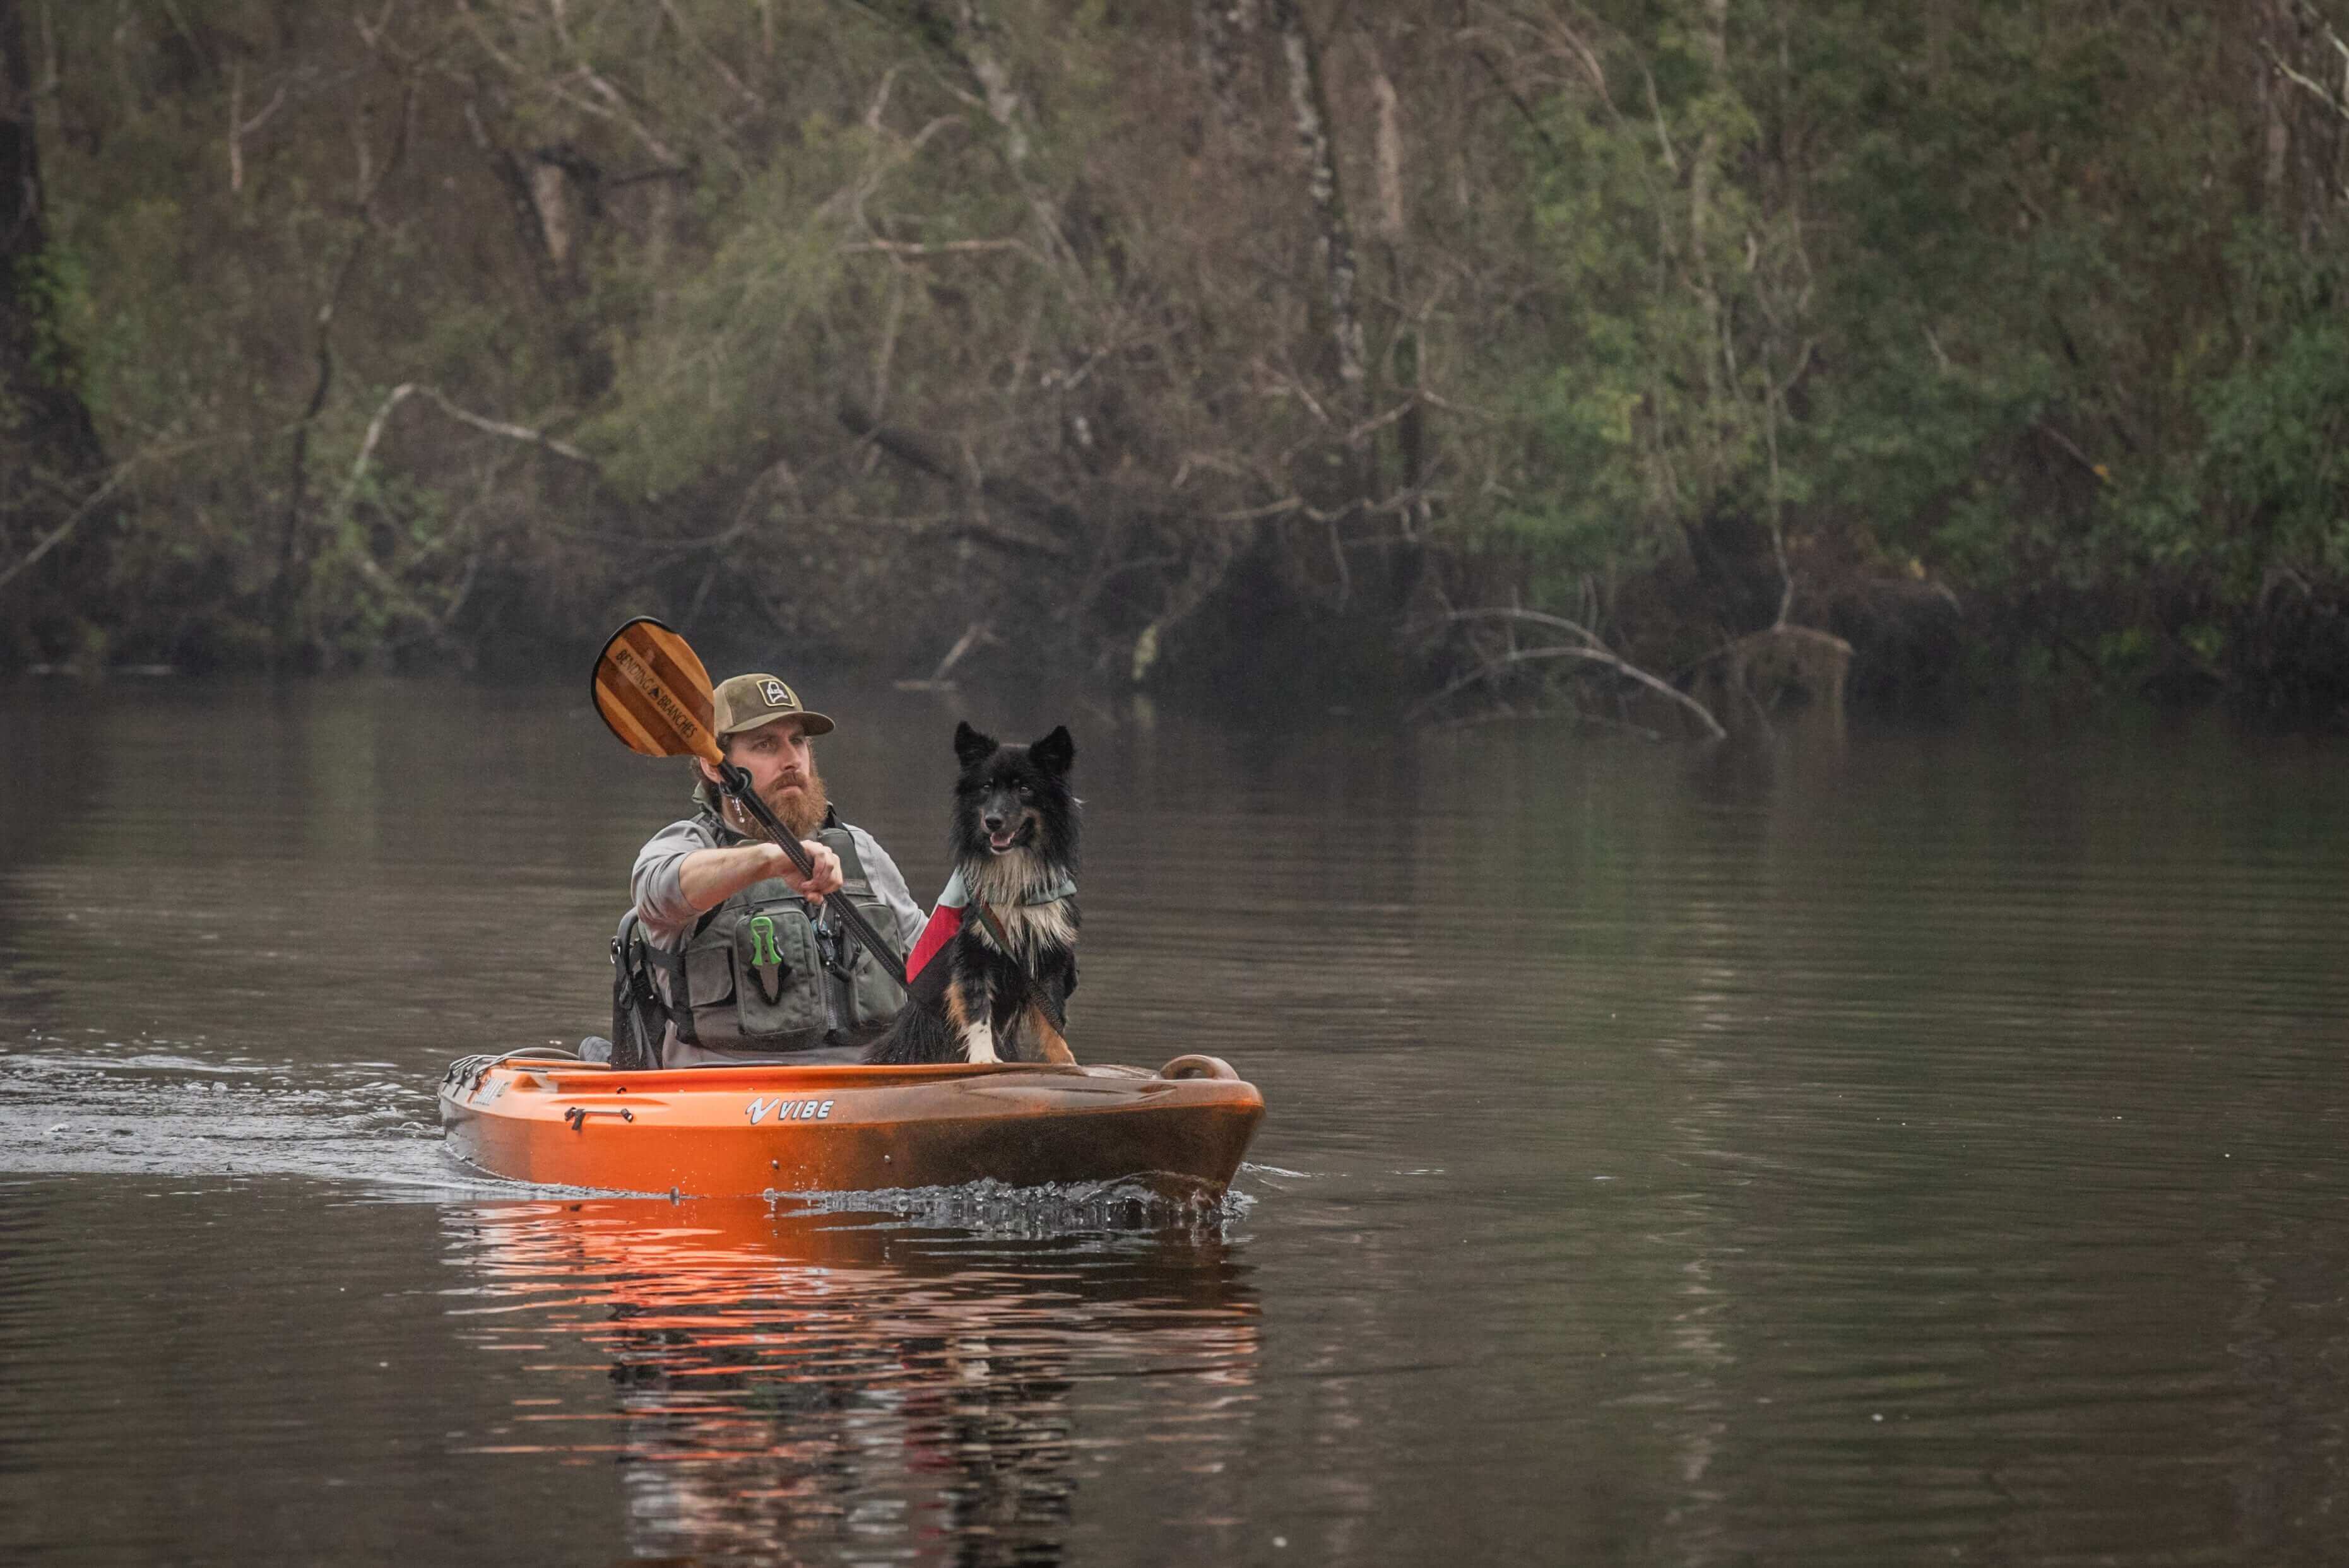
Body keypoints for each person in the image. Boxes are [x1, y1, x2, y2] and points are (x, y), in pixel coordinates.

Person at [620, 672, 926, 1067]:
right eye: (765, 745)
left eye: (797, 741)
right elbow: (658, 892)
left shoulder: (859, 850)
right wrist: (770, 859)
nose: (791, 760)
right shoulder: (684, 847)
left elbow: (933, 966)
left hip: (869, 1083)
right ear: (715, 767)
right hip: (727, 1091)